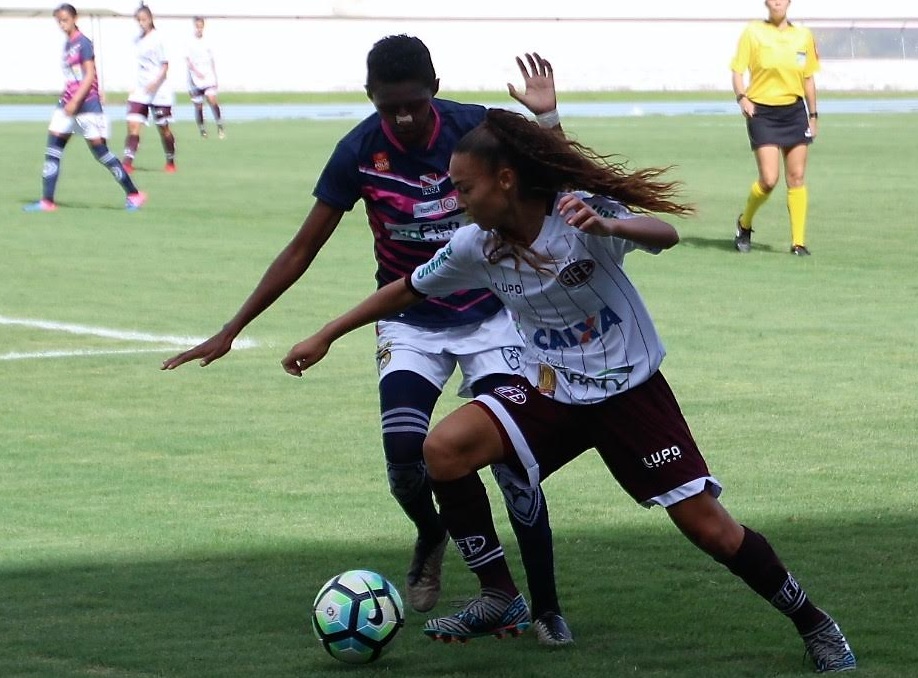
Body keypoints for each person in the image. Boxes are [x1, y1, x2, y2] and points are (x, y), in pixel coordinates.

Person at [280, 108, 857, 673]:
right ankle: (500, 594)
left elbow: (666, 233)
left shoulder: (576, 218)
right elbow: (407, 289)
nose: (457, 201)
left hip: (629, 396)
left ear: (505, 180)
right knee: (443, 449)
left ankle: (814, 624)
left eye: (465, 187)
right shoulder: (474, 246)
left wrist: (612, 225)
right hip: (549, 394)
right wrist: (327, 333)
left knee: (711, 529)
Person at [162, 36, 574, 646]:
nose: (402, 119)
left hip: (494, 318)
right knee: (407, 457)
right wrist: (232, 328)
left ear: (434, 87)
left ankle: (545, 608)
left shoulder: (477, 130)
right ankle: (448, 546)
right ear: (370, 98)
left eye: (412, 104)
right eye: (388, 108)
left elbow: (561, 175)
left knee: (512, 464)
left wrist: (546, 118)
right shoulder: (357, 151)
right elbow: (303, 249)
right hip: (407, 320)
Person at [23, 4, 146, 213]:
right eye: (59, 21)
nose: (62, 24)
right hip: (67, 106)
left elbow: (89, 76)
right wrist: (67, 99)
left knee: (100, 152)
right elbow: (73, 77)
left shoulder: (83, 43)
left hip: (87, 105)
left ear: (74, 18)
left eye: (65, 20)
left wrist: (75, 100)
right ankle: (47, 201)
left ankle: (134, 194)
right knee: (53, 148)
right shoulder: (67, 45)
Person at [731, 0, 820, 256]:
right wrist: (742, 98)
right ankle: (744, 223)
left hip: (794, 111)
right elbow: (737, 71)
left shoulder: (803, 36)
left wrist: (813, 115)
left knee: (797, 177)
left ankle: (798, 243)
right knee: (769, 180)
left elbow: (809, 78)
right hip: (763, 112)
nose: (778, 1)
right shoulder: (753, 32)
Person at [123, 4, 177, 174]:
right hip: (141, 90)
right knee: (133, 124)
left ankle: (170, 161)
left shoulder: (159, 38)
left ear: (150, 19)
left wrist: (156, 82)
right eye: (138, 20)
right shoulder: (137, 40)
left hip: (159, 91)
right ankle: (127, 163)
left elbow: (165, 65)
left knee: (164, 128)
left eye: (143, 19)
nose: (141, 23)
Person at [186, 16, 225, 139]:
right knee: (198, 105)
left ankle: (220, 125)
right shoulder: (189, 42)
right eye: (197, 26)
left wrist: (215, 76)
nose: (199, 29)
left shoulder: (208, 41)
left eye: (201, 26)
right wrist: (196, 72)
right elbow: (188, 61)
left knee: (212, 98)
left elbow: (212, 59)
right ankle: (202, 129)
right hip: (194, 79)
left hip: (208, 77)